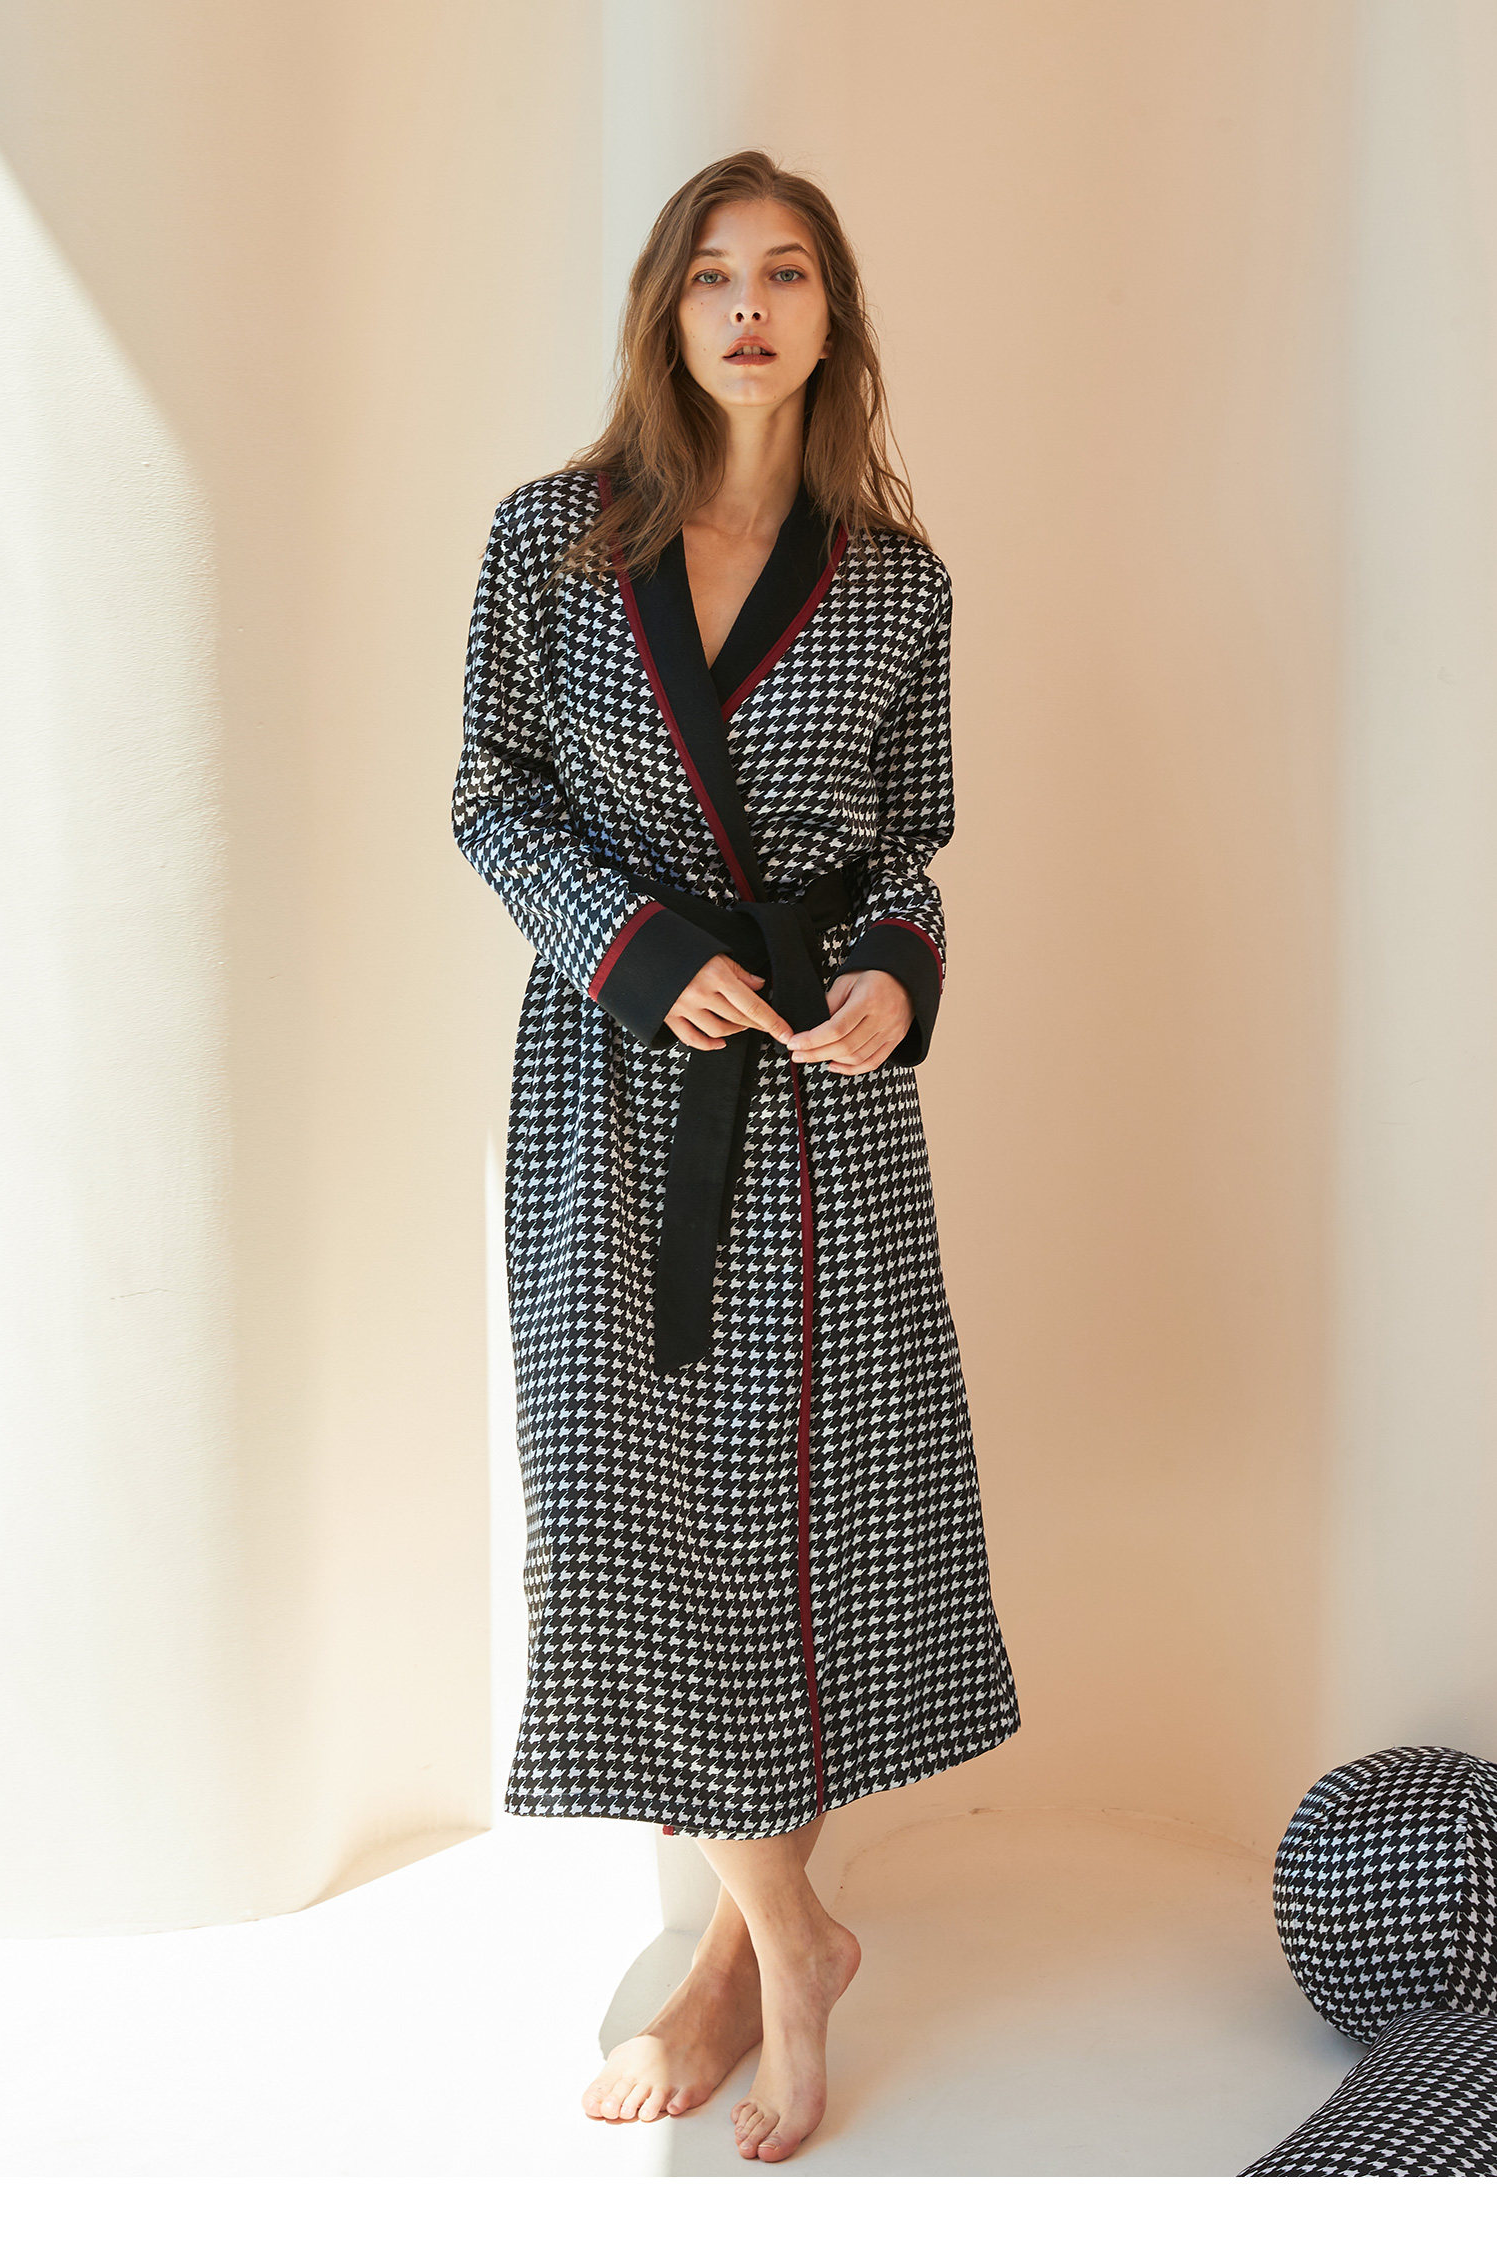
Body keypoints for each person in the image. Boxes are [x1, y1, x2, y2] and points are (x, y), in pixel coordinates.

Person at [453, 149, 1020, 2165]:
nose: (750, 307)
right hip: (619, 1077)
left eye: (786, 274)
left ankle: (735, 1956)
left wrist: (891, 978)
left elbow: (908, 847)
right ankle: (796, 1944)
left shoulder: (897, 583)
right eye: (713, 275)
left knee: (804, 1523)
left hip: (821, 1103)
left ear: (832, 314)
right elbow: (493, 793)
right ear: (666, 309)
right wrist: (636, 947)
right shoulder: (549, 541)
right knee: (630, 1511)